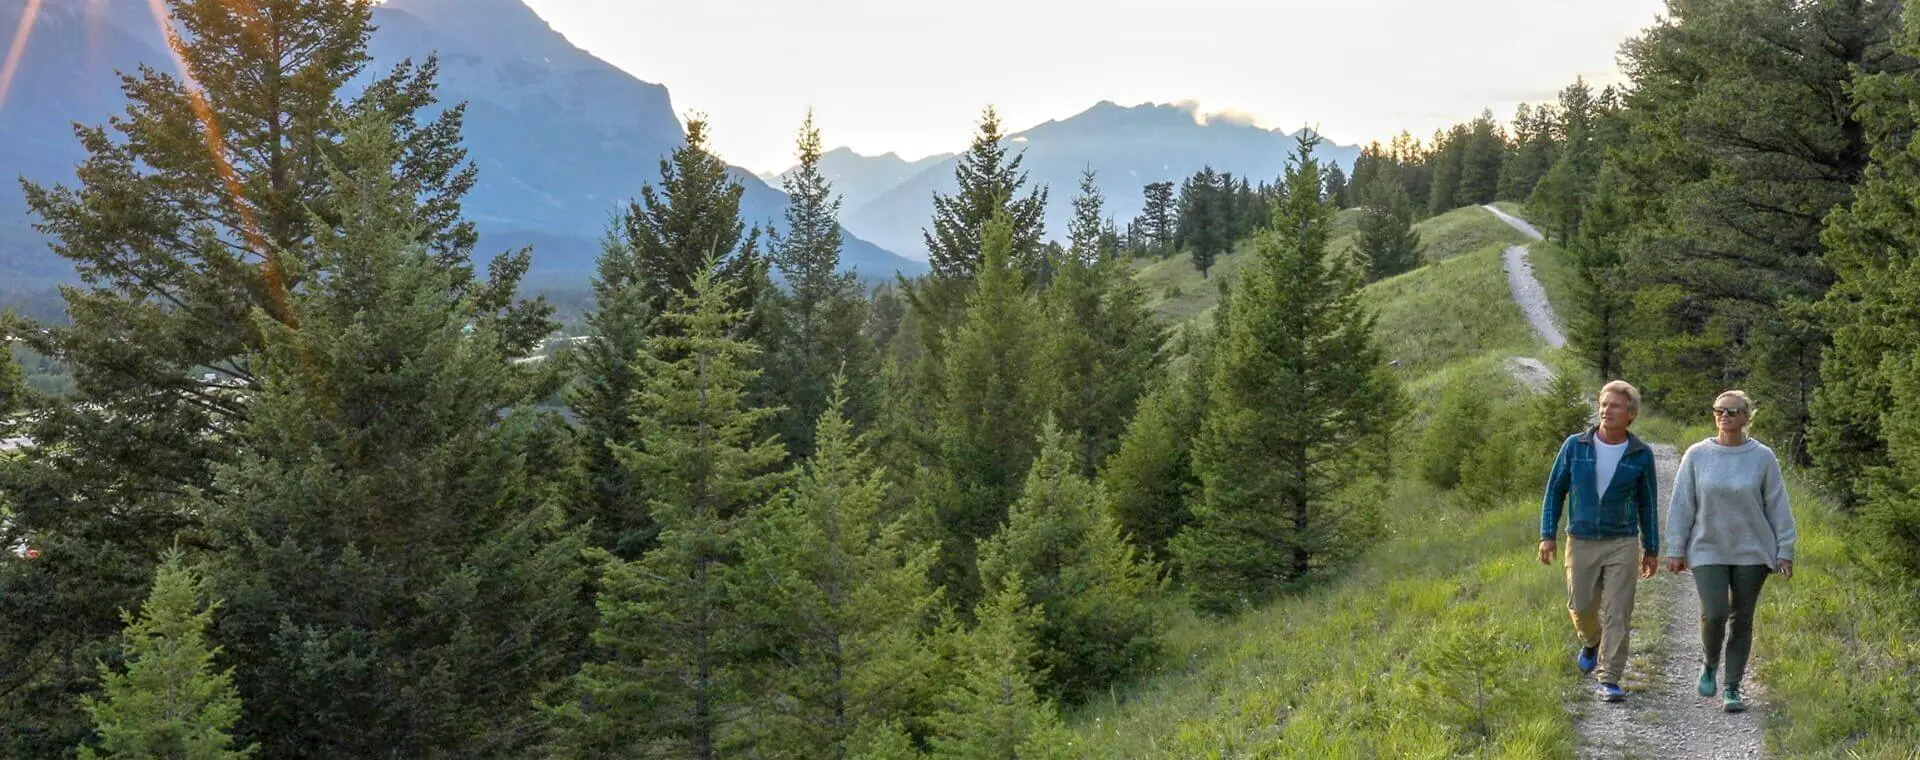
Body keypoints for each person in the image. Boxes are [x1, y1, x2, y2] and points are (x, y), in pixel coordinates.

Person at [1662, 390, 1796, 714]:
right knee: (1716, 612)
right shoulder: (1696, 455)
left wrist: (1785, 549)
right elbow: (1682, 504)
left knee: (1742, 618)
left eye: (1732, 411)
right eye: (1719, 411)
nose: (1724, 416)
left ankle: (1733, 687)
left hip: (1752, 549)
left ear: (1746, 417)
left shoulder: (1762, 457)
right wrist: (1675, 548)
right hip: (1708, 547)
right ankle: (1710, 663)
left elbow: (1778, 504)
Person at [1538, 380, 1660, 703]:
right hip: (1580, 539)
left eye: (1615, 406)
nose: (1606, 411)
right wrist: (1547, 535)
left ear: (1631, 414)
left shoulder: (1641, 454)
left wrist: (1652, 548)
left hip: (1622, 541)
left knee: (1618, 611)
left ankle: (1609, 678)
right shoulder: (1575, 446)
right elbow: (1555, 490)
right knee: (1581, 605)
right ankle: (1592, 642)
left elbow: (1648, 502)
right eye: (1603, 405)